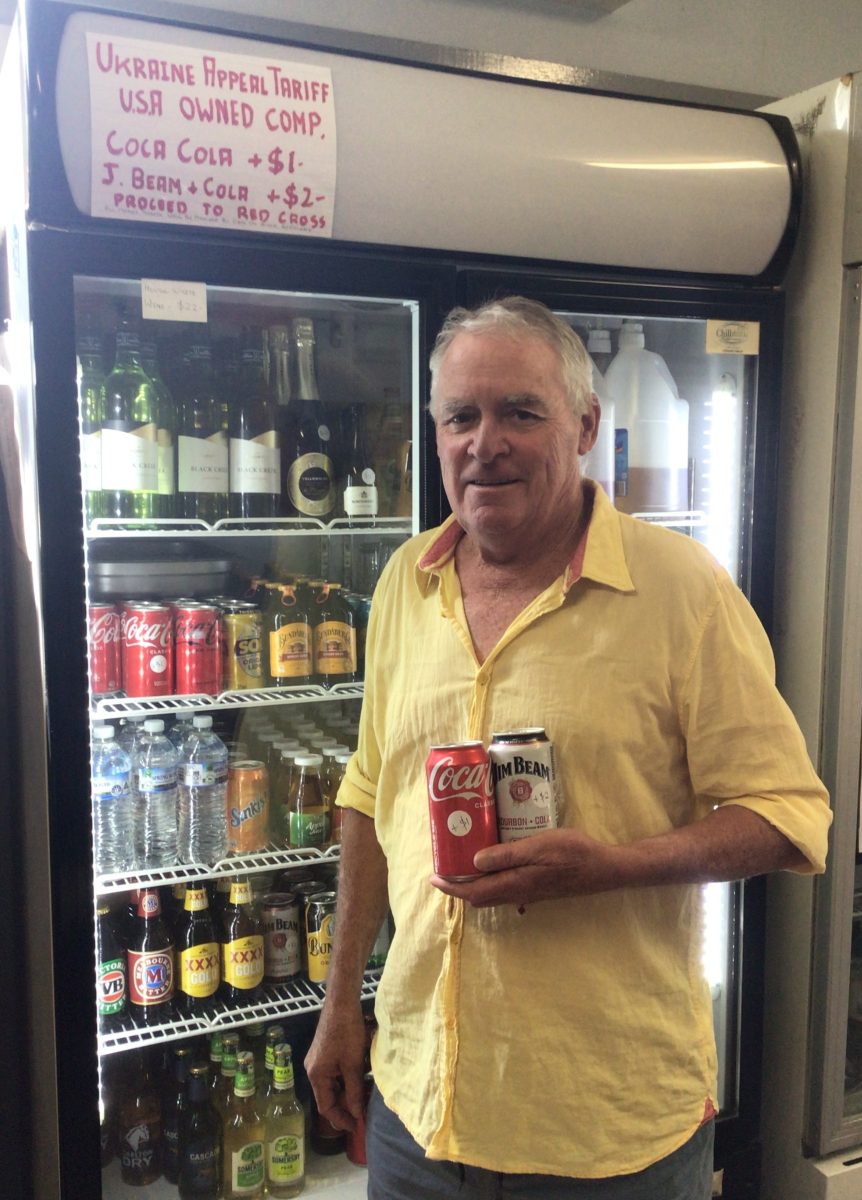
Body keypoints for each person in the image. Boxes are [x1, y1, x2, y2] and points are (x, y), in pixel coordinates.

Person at [305, 296, 831, 1199]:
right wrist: (340, 1004)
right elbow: (367, 793)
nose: (485, 442)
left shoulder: (681, 591)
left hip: (607, 1133)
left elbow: (789, 817)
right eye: (460, 417)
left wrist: (613, 866)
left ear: (586, 423)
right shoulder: (403, 580)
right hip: (417, 1109)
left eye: (521, 411)